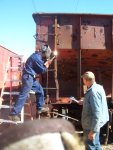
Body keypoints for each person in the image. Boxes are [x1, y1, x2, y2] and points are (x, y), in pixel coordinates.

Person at [8, 44, 54, 121]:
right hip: (28, 77)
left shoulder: (37, 55)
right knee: (23, 95)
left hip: (31, 77)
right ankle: (13, 114)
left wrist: (49, 59)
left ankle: (40, 108)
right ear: (44, 52)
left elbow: (41, 62)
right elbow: (42, 70)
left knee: (40, 91)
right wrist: (48, 64)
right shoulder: (37, 58)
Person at [79, 71, 109, 150]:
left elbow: (97, 113)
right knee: (96, 145)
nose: (83, 81)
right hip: (95, 124)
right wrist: (84, 102)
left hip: (90, 125)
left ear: (86, 80)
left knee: (90, 146)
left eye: (83, 79)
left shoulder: (92, 93)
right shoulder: (98, 87)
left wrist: (93, 131)